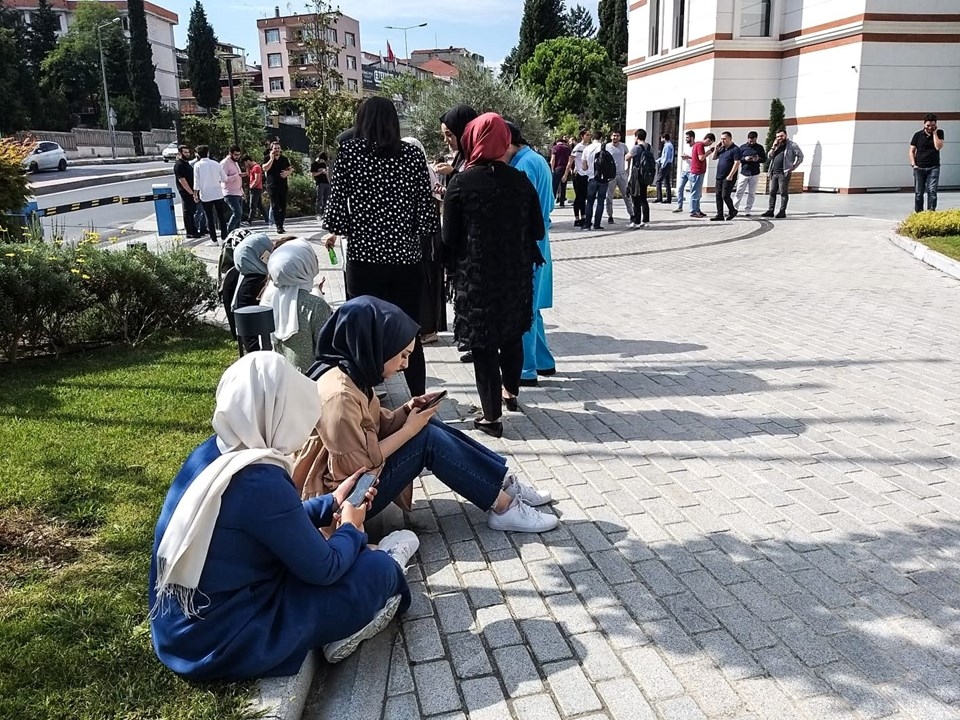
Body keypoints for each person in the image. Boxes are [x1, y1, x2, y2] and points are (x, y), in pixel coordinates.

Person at [149, 352, 416, 680]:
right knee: (378, 569)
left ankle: (361, 584)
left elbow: (269, 522)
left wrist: (332, 502)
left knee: (348, 554)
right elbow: (325, 568)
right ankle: (379, 581)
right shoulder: (260, 478)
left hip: (182, 634)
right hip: (225, 643)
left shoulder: (216, 452)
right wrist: (351, 525)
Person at [293, 296, 558, 533]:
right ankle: (503, 508)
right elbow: (357, 468)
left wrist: (407, 410)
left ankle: (501, 484)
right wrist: (409, 429)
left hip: (357, 483)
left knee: (425, 421)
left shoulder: (352, 372)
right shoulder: (339, 395)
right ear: (376, 346)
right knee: (426, 438)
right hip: (342, 504)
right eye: (401, 355)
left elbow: (373, 426)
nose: (405, 364)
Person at [321, 97, 440, 397]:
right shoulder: (412, 155)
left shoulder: (349, 153)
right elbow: (427, 214)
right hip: (405, 259)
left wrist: (357, 225)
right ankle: (419, 398)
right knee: (408, 332)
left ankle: (365, 399)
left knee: (362, 331)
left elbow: (335, 215)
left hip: (364, 257)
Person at [442, 113, 545, 437]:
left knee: (483, 345)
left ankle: (491, 417)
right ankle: (510, 392)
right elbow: (538, 230)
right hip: (514, 273)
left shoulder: (461, 183)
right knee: (512, 334)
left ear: (472, 140)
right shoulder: (520, 181)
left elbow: (448, 238)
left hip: (476, 277)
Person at [504, 121, 556, 389]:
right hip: (540, 238)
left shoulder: (522, 166)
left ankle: (526, 368)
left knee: (524, 306)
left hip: (527, 243)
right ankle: (544, 361)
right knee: (533, 306)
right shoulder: (536, 159)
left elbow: (521, 211)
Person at [260, 239, 332, 373]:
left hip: (280, 375)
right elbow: (326, 349)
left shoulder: (273, 299)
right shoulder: (316, 305)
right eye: (312, 257)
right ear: (304, 266)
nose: (316, 259)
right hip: (311, 379)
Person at [402, 136, 447, 344]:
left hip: (424, 238)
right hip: (419, 236)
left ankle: (428, 328)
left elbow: (433, 201)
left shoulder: (423, 170)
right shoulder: (413, 169)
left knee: (424, 278)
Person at [762, 129, 804, 219]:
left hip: (783, 173)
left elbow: (800, 156)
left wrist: (794, 167)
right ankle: (770, 210)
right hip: (774, 172)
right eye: (777, 137)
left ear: (786, 135)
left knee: (783, 192)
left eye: (781, 136)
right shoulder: (776, 145)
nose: (779, 138)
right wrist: (773, 147)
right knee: (772, 192)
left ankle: (782, 211)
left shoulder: (792, 145)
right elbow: (769, 156)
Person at [192, 145, 229, 244]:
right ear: (208, 153)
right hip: (218, 193)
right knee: (221, 216)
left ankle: (214, 240)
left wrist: (195, 194)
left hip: (205, 195)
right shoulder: (216, 164)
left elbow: (196, 181)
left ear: (198, 154)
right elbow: (225, 178)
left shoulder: (197, 165)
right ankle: (224, 237)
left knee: (209, 217)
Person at [909, 113, 945, 213]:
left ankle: (930, 213)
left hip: (933, 167)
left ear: (936, 125)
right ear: (924, 124)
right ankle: (919, 214)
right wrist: (913, 164)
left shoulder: (939, 133)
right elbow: (911, 151)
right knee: (918, 193)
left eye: (932, 125)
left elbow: (938, 147)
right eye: (928, 125)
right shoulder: (918, 135)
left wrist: (934, 134)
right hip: (919, 168)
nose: (930, 127)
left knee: (932, 191)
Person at [582, 129, 612, 231]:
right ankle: (597, 224)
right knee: (600, 201)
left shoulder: (587, 149)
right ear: (601, 138)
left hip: (592, 178)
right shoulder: (606, 147)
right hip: (603, 178)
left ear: (592, 138)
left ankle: (587, 224)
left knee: (589, 202)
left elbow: (584, 167)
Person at [733, 131, 767, 216]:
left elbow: (764, 159)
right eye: (750, 140)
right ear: (747, 139)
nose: (752, 142)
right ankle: (734, 209)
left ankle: (748, 210)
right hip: (744, 172)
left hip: (755, 172)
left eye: (753, 141)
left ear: (756, 139)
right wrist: (745, 159)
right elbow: (738, 158)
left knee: (752, 193)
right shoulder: (742, 147)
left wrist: (758, 159)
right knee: (739, 191)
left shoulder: (759, 147)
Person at [710, 131, 742, 221]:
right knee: (718, 195)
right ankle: (719, 214)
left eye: (724, 139)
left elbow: (737, 163)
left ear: (730, 139)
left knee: (725, 195)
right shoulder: (722, 149)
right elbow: (714, 157)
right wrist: (716, 148)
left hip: (728, 177)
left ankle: (732, 210)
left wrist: (730, 175)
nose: (722, 141)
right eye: (721, 139)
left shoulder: (735, 149)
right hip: (719, 176)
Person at [263, 141, 293, 233]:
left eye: (278, 148)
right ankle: (278, 225)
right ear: (271, 149)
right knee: (275, 205)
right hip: (272, 185)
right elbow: (265, 168)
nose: (277, 150)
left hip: (283, 185)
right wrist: (271, 159)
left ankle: (281, 224)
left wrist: (287, 172)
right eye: (275, 148)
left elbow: (290, 168)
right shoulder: (267, 158)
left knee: (282, 205)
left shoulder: (284, 159)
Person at [604, 131, 633, 223]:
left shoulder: (623, 146)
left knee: (627, 196)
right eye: (614, 135)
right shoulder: (607, 147)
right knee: (609, 197)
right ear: (611, 137)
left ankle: (632, 214)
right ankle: (610, 216)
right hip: (610, 175)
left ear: (620, 137)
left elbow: (629, 157)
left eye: (617, 136)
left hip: (621, 174)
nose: (615, 137)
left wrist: (628, 169)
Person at [627, 129, 655, 228]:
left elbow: (627, 157)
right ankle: (646, 220)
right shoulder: (649, 147)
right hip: (646, 175)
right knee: (644, 198)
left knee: (635, 198)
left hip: (637, 176)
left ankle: (636, 221)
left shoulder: (636, 148)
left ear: (637, 137)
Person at [173, 145, 200, 239]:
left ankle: (194, 230)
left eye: (188, 152)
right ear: (180, 153)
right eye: (185, 152)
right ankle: (189, 232)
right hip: (186, 192)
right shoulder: (179, 165)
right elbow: (182, 180)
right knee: (187, 212)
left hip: (191, 191)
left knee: (192, 211)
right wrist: (191, 193)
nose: (188, 154)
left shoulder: (186, 163)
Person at [567, 129, 592, 227]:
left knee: (584, 197)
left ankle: (584, 217)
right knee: (579, 197)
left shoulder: (589, 147)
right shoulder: (578, 147)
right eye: (587, 135)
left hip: (587, 175)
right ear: (582, 136)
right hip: (579, 175)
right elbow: (570, 161)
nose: (589, 137)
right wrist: (566, 173)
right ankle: (577, 218)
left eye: (589, 135)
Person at [689, 133, 715, 219]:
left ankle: (697, 209)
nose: (709, 144)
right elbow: (701, 158)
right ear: (708, 139)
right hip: (697, 172)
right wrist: (709, 152)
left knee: (698, 193)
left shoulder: (697, 144)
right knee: (695, 193)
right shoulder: (700, 145)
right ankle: (693, 211)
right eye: (710, 142)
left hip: (697, 172)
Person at [221, 145, 246, 234]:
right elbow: (223, 179)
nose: (237, 157)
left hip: (238, 192)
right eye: (235, 155)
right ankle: (229, 232)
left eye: (239, 155)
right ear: (230, 153)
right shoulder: (225, 163)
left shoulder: (235, 162)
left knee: (239, 216)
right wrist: (237, 176)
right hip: (229, 193)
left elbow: (238, 178)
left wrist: (242, 191)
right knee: (237, 212)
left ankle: (236, 233)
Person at [674, 131, 696, 213]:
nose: (686, 139)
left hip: (691, 171)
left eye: (687, 137)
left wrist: (689, 157)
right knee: (680, 188)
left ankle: (693, 208)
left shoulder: (695, 147)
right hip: (684, 171)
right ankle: (679, 206)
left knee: (692, 190)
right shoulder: (686, 147)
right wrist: (684, 157)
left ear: (692, 138)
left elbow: (698, 159)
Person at [653, 133, 675, 204]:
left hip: (665, 165)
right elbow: (663, 156)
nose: (661, 140)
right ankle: (668, 199)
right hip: (668, 164)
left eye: (661, 138)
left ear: (664, 138)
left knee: (658, 181)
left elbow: (666, 157)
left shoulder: (667, 146)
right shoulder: (669, 145)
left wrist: (663, 165)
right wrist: (657, 161)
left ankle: (659, 198)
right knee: (667, 182)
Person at [549, 137, 571, 207]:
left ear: (557, 142)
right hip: (565, 168)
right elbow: (569, 160)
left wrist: (552, 169)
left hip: (557, 168)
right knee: (563, 186)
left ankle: (552, 202)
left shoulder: (555, 148)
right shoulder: (567, 148)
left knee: (554, 186)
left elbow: (553, 159)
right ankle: (562, 202)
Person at [244, 155, 266, 224]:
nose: (245, 165)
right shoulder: (251, 168)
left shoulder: (256, 167)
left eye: (245, 163)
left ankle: (249, 220)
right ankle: (267, 219)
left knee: (252, 205)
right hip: (255, 188)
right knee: (259, 205)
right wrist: (247, 168)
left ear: (248, 161)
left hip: (256, 188)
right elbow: (248, 175)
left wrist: (252, 186)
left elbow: (257, 179)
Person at [311, 152, 331, 220]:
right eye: (322, 160)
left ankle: (325, 213)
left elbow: (326, 174)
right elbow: (313, 174)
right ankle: (318, 213)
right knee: (319, 199)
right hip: (320, 183)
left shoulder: (323, 164)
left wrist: (329, 182)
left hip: (326, 183)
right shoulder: (314, 164)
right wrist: (321, 172)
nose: (323, 161)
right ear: (319, 158)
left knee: (326, 199)